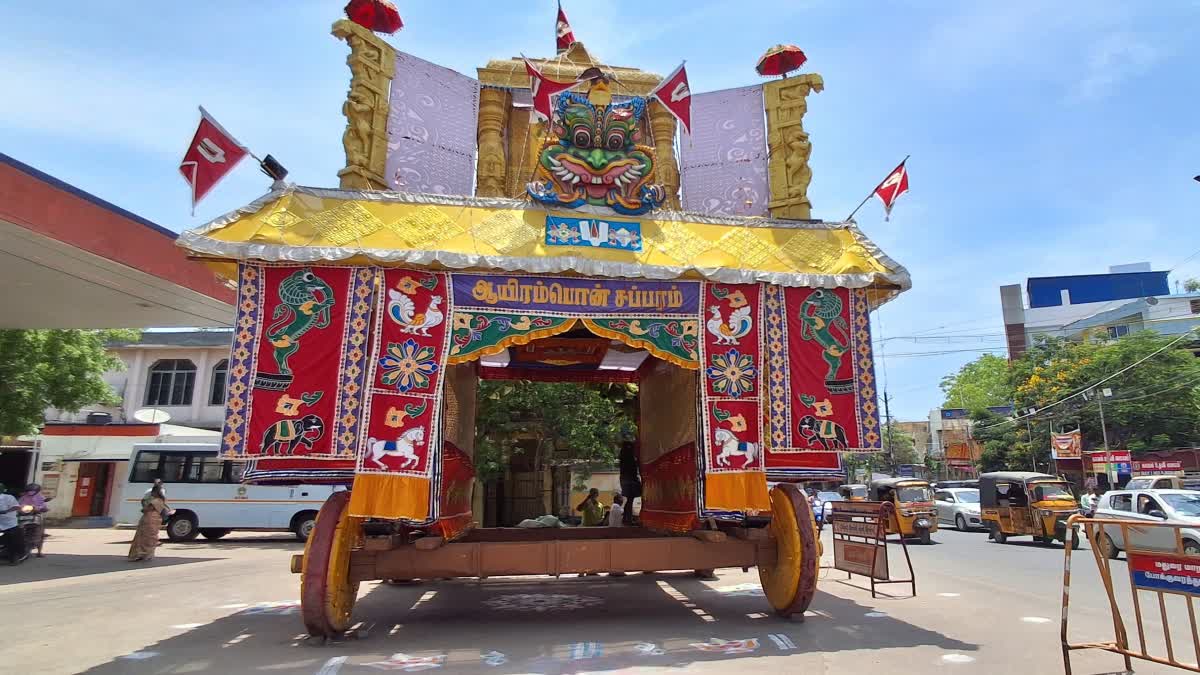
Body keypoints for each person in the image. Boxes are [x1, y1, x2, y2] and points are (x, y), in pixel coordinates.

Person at [129, 483, 172, 562]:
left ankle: (139, 553)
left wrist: (144, 505)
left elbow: (145, 509)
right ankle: (148, 554)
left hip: (148, 518)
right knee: (151, 536)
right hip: (156, 520)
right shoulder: (161, 501)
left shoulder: (154, 501)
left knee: (142, 536)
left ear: (154, 492)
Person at [0, 483, 27, 564]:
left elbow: (16, 507)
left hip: (9, 522)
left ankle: (15, 557)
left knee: (13, 539)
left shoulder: (8, 497)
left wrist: (6, 511)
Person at [618, 441, 641, 525]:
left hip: (625, 480)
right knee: (630, 500)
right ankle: (628, 519)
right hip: (630, 480)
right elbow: (635, 468)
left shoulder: (623, 457)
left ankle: (627, 519)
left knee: (629, 500)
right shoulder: (630, 458)